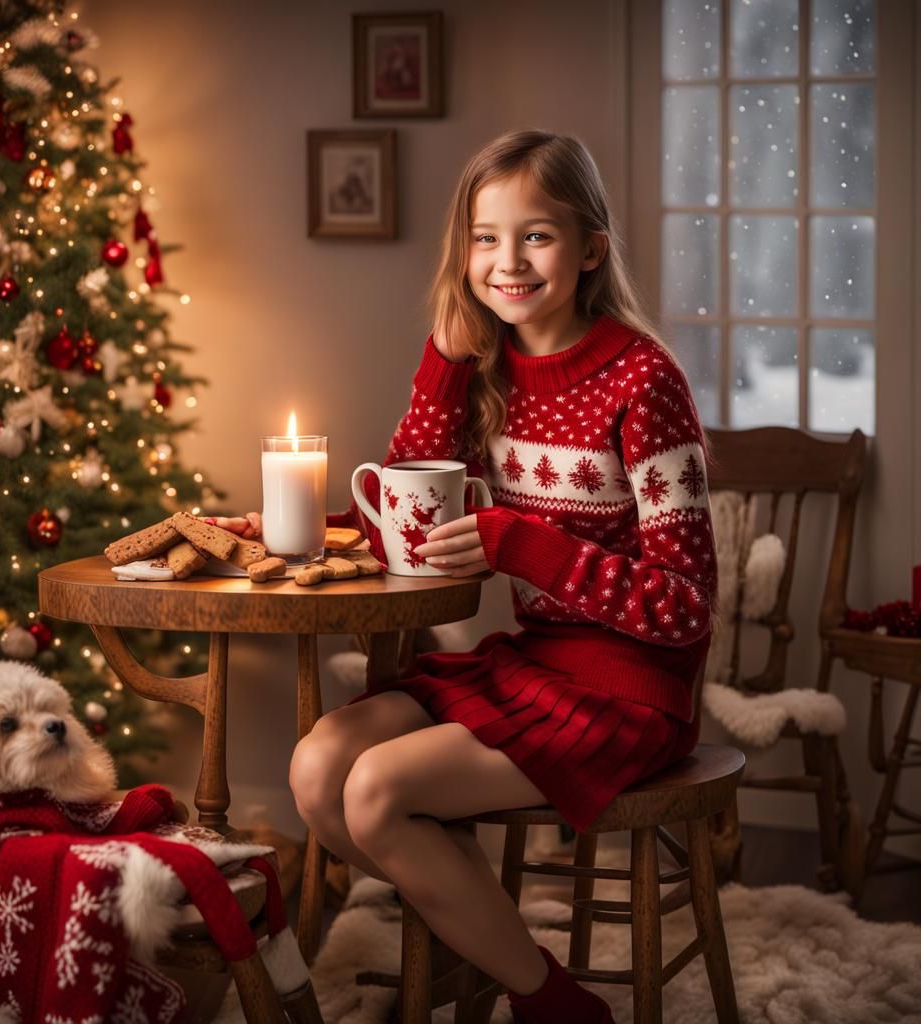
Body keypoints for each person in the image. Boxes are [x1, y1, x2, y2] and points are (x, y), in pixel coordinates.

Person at [223, 129, 718, 1024]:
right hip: (531, 665)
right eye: (486, 238)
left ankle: (552, 1002)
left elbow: (684, 607)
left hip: (630, 693)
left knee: (376, 794)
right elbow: (397, 527)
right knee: (316, 767)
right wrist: (444, 366)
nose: (508, 261)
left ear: (590, 248)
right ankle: (488, 944)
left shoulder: (645, 381)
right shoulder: (485, 364)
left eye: (537, 235)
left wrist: (520, 544)